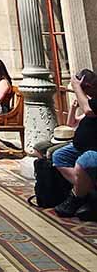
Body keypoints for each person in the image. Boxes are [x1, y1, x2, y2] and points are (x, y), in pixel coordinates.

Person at [53, 69, 97, 219]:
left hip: (93, 149)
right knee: (58, 156)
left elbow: (89, 110)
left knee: (83, 162)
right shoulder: (90, 100)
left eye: (83, 88)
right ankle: (88, 191)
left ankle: (76, 197)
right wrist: (73, 107)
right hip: (79, 146)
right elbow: (71, 123)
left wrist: (77, 88)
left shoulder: (92, 103)